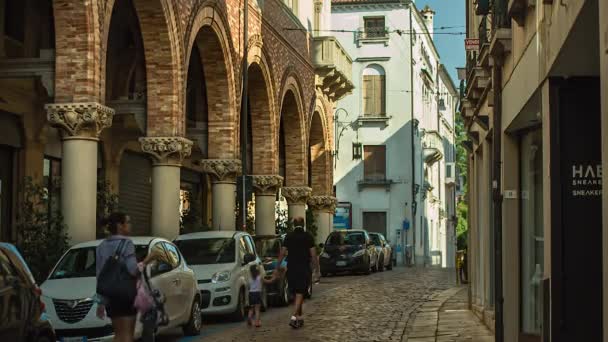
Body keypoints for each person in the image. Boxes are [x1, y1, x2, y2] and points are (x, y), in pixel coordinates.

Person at [95, 212, 142, 342]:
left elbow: (100, 276)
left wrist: (101, 303)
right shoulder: (127, 244)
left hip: (110, 297)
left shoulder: (101, 246)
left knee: (118, 335)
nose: (130, 225)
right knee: (127, 336)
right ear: (120, 226)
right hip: (126, 295)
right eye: (128, 222)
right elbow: (133, 270)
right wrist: (146, 263)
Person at [275, 217, 320, 329]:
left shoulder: (289, 236)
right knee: (300, 292)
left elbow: (282, 252)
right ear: (303, 224)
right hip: (304, 267)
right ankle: (294, 317)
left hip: (292, 267)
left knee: (296, 293)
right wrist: (317, 269)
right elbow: (313, 254)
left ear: (294, 225)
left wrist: (277, 266)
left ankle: (299, 318)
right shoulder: (308, 236)